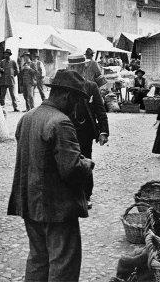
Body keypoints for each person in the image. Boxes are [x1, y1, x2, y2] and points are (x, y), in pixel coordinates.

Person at [7, 70, 94, 282]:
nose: (76, 107)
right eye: (76, 101)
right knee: (63, 263)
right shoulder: (61, 122)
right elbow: (71, 169)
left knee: (38, 258)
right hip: (56, 207)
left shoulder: (27, 117)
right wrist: (87, 164)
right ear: (66, 96)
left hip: (30, 202)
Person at [66, 54, 109, 209]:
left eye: (78, 67)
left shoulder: (91, 86)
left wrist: (103, 131)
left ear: (83, 67)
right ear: (69, 67)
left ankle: (85, 195)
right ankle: (69, 194)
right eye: (72, 67)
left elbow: (100, 110)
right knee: (66, 161)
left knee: (85, 162)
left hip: (85, 131)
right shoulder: (63, 86)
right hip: (66, 130)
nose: (74, 70)